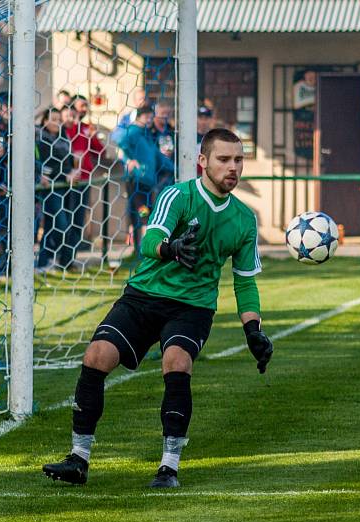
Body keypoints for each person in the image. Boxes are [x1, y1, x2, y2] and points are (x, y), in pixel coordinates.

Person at [43, 128, 273, 489]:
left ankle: (169, 467)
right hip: (144, 295)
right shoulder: (177, 195)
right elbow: (150, 240)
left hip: (193, 307)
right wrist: (171, 249)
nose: (233, 167)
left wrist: (253, 330)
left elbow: (244, 281)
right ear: (203, 162)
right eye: (224, 159)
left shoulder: (244, 219)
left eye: (238, 160)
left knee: (177, 361)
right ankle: (78, 459)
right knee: (96, 355)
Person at [116, 106, 175, 252]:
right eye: (147, 116)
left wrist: (173, 168)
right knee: (142, 212)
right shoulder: (133, 131)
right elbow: (119, 142)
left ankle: (142, 249)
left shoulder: (147, 134)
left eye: (151, 116)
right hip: (135, 180)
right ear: (139, 116)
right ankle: (141, 249)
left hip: (148, 181)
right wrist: (128, 159)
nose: (149, 119)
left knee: (146, 212)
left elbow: (156, 155)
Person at [64, 95, 105, 261]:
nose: (84, 109)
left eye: (86, 106)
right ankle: (62, 256)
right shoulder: (66, 129)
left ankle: (71, 258)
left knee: (79, 219)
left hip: (85, 179)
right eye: (81, 106)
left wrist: (93, 136)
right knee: (67, 217)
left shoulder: (87, 128)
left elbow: (99, 152)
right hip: (68, 180)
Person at [36, 107, 76, 271]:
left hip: (66, 185)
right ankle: (64, 260)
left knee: (52, 226)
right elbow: (49, 165)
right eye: (53, 119)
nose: (57, 123)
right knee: (60, 225)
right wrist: (67, 172)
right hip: (50, 187)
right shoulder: (40, 137)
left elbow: (69, 160)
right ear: (45, 121)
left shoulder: (63, 136)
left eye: (59, 120)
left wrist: (73, 171)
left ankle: (44, 263)